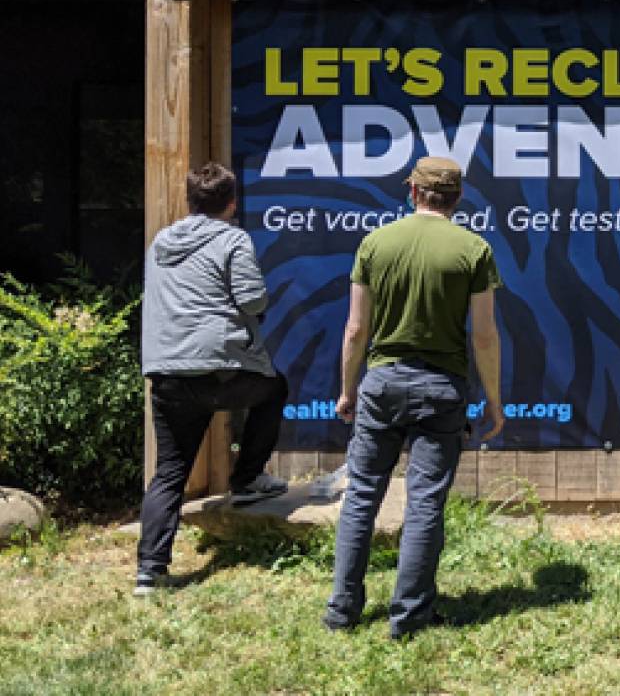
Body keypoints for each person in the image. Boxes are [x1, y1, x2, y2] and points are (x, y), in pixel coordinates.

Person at [324, 156, 505, 639]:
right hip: (441, 390)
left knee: (361, 496)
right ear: (457, 198)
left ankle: (342, 611)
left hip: (381, 384)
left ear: (413, 192)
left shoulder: (376, 243)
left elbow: (356, 328)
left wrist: (347, 390)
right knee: (425, 503)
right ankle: (408, 619)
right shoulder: (474, 249)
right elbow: (484, 337)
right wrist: (495, 399)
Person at [137, 162, 289, 596]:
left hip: (167, 370)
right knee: (273, 389)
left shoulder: (161, 241)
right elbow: (253, 298)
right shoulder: (233, 239)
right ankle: (247, 479)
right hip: (220, 369)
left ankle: (149, 571)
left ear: (190, 200)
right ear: (231, 203)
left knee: (170, 471)